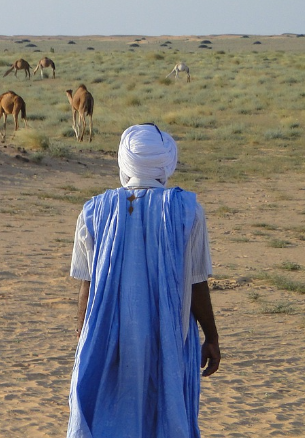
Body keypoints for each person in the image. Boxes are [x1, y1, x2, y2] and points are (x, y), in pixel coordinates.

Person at [67, 124, 220, 438]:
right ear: (166, 163)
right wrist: (212, 337)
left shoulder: (94, 212)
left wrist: (85, 339)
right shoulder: (188, 211)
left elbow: (88, 285)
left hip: (109, 339)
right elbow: (196, 282)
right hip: (169, 338)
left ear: (125, 162)